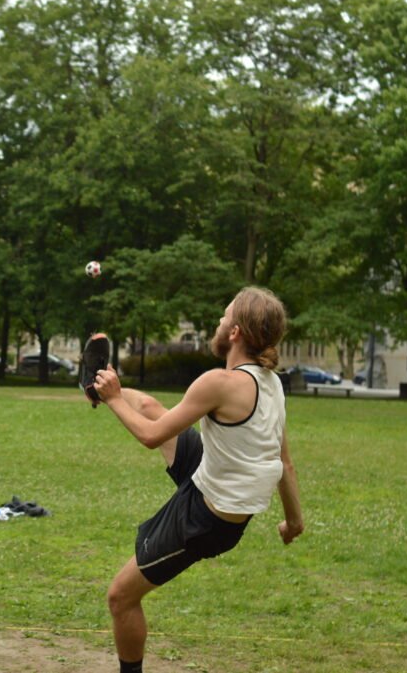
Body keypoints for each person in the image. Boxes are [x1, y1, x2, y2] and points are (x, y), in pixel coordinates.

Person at [84, 286, 304, 673]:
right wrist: (294, 521)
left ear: (234, 332)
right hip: (216, 478)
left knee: (121, 597)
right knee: (150, 406)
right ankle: (96, 388)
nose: (219, 321)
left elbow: (151, 437)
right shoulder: (271, 385)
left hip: (207, 519)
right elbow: (284, 463)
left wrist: (117, 399)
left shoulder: (218, 383)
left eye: (224, 315)